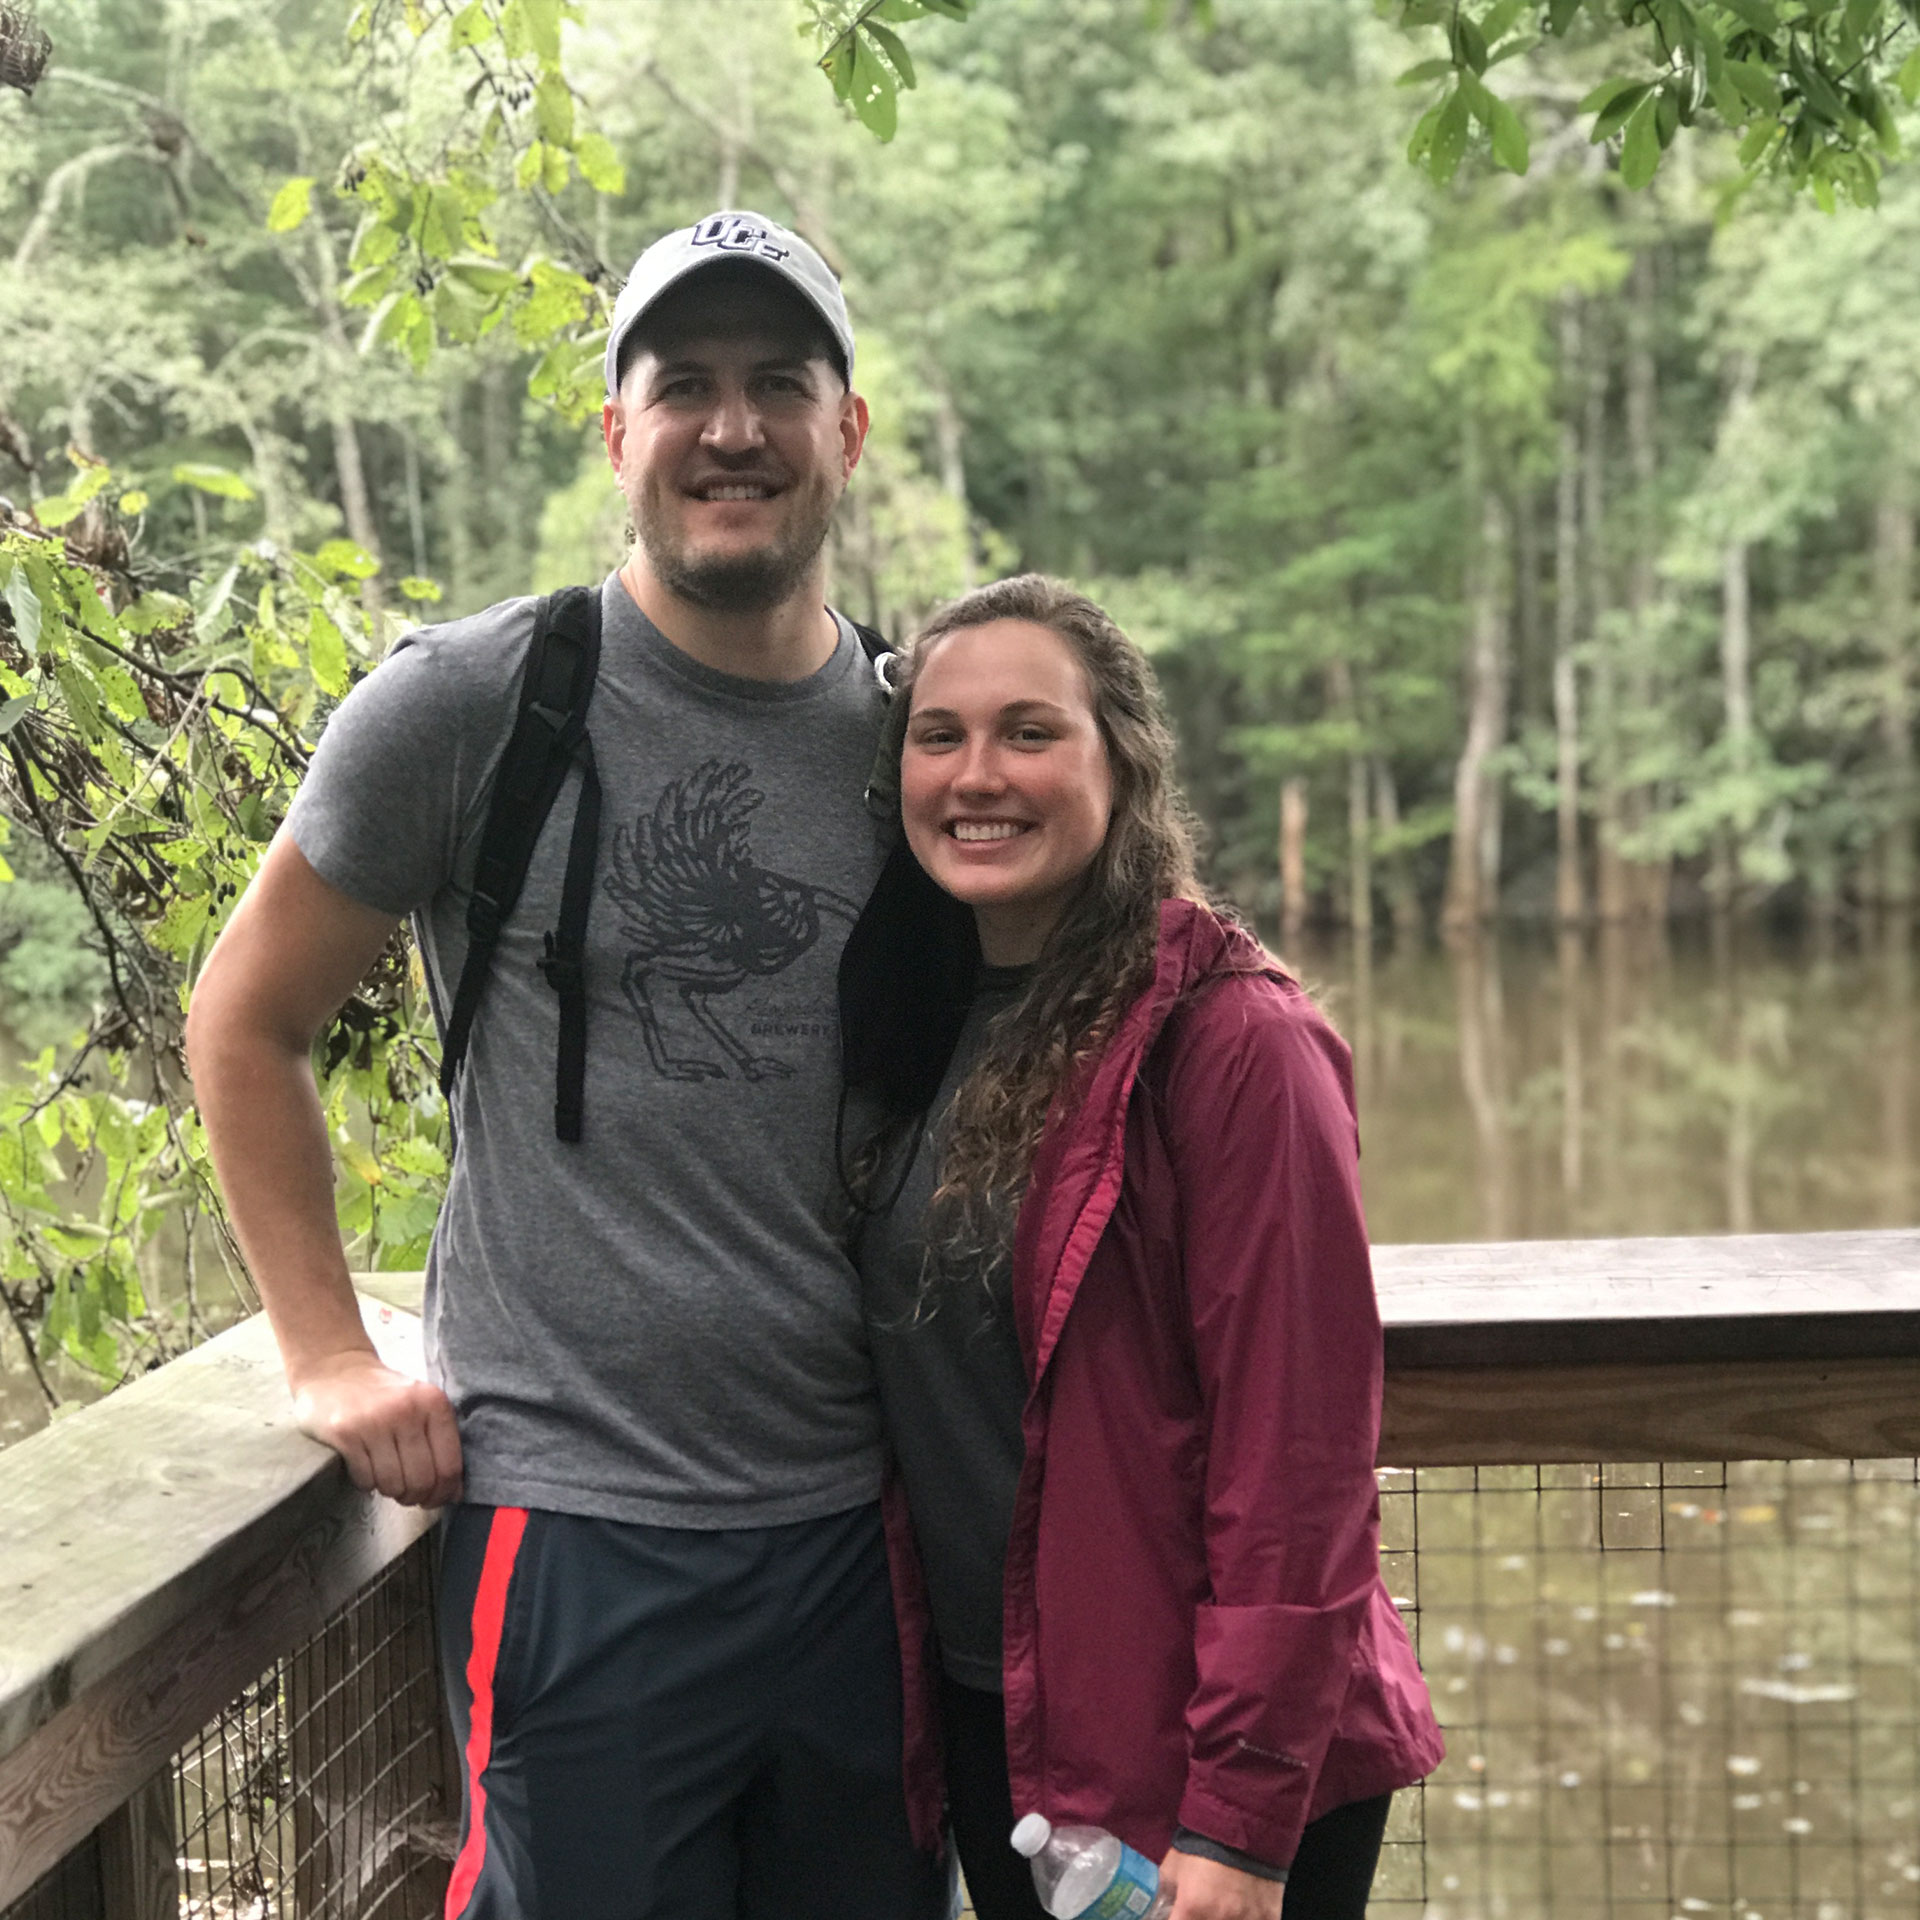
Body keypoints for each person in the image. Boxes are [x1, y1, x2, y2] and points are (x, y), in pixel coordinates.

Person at [185, 210, 950, 1920]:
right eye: (684, 386)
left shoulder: (920, 738)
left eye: (779, 385)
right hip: (580, 1537)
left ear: (850, 430)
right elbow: (246, 1019)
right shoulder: (475, 706)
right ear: (620, 434)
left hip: (860, 1537)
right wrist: (323, 1353)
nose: (731, 428)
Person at [839, 574, 1445, 1920]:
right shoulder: (926, 1019)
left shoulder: (1234, 1044)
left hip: (1197, 1750)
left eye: (1030, 732)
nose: (977, 774)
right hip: (1008, 1716)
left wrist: (1240, 1815)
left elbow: (1298, 1465)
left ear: (1121, 760)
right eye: (939, 735)